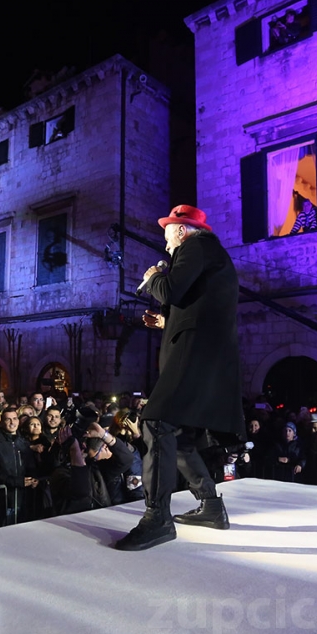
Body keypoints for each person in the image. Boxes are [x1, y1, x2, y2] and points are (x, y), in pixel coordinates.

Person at [117, 205, 244, 552]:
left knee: (157, 422)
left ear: (182, 230)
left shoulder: (195, 247)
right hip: (207, 353)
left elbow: (172, 290)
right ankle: (211, 506)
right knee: (181, 435)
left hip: (198, 352)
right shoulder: (210, 255)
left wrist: (154, 276)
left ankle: (157, 518)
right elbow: (194, 303)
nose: (166, 245)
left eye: (168, 237)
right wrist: (166, 322)